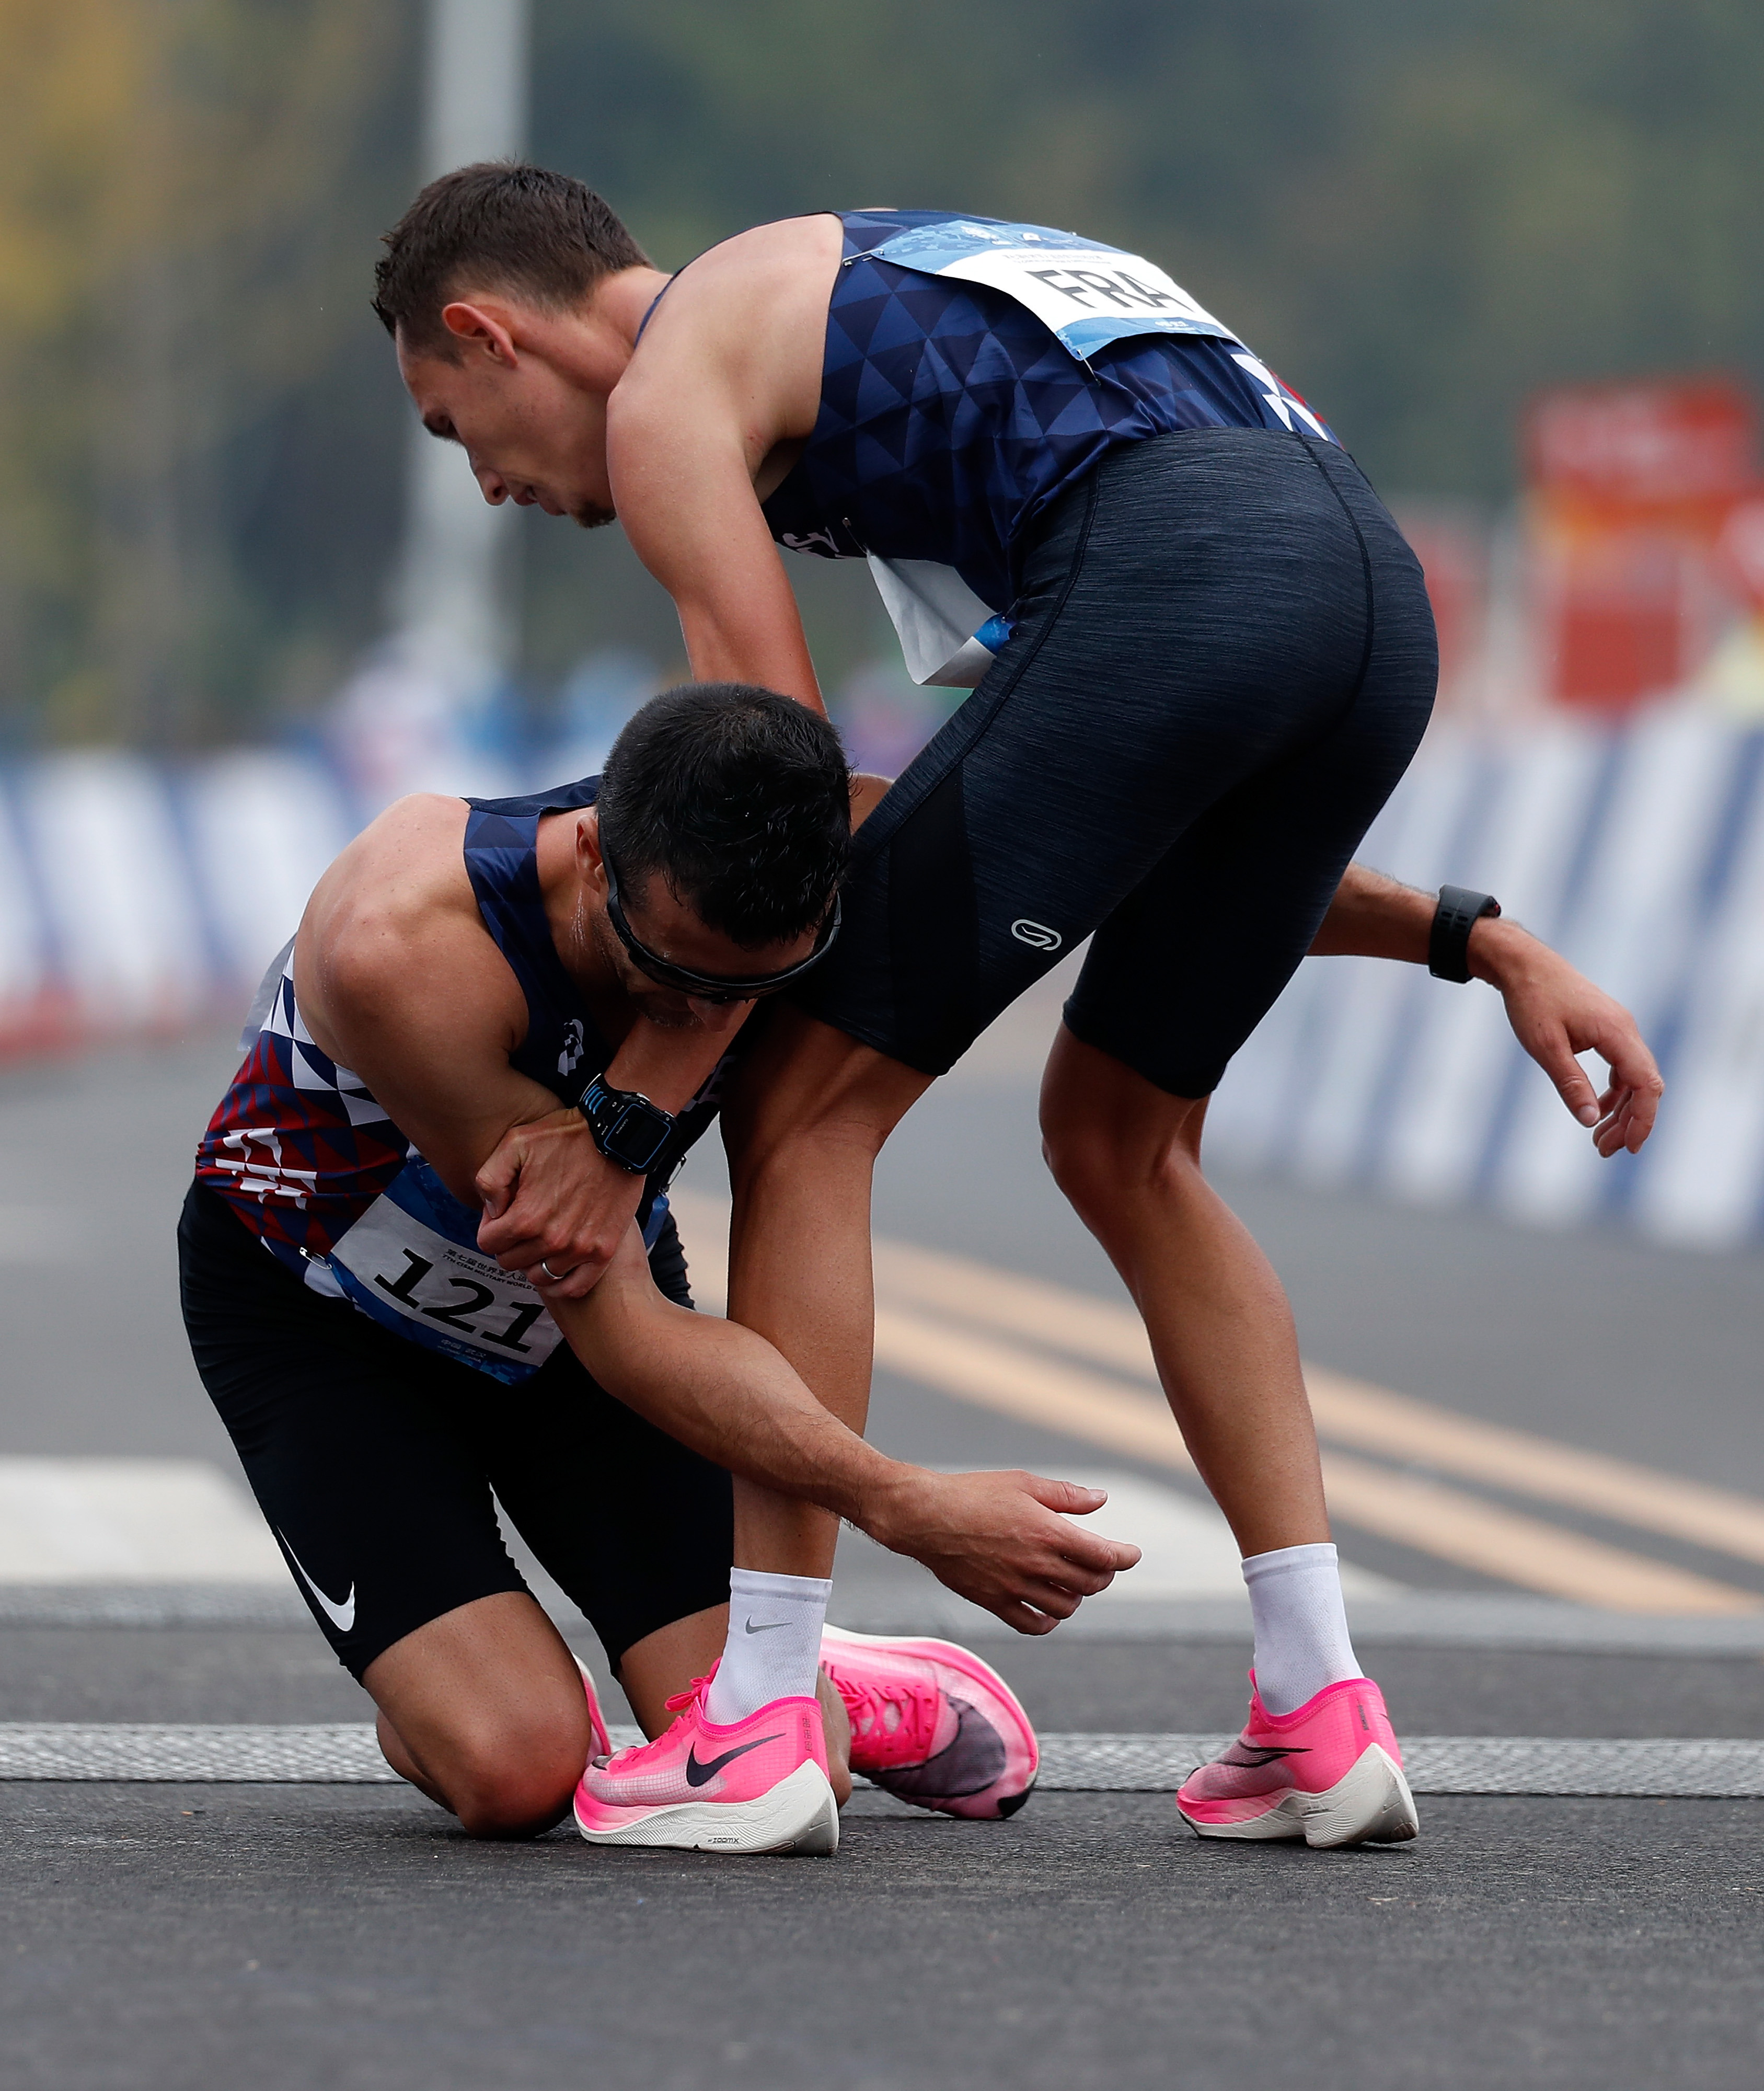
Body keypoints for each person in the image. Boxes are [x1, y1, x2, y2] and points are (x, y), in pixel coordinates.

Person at [373, 166, 1665, 1848]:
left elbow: (760, 826)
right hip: (1364, 592)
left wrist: (623, 1124)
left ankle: (761, 1718)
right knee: (1124, 1139)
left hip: (1183, 569)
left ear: (490, 329)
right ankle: (1320, 1709)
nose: (484, 485)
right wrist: (1470, 934)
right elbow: (1071, 797)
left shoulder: (682, 376)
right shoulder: (891, 313)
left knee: (799, 1104)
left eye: (450, 421)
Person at [180, 683, 1115, 1854]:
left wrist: (1419, 927)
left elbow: (1133, 864)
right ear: (591, 854)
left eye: (740, 992)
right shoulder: (405, 940)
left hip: (553, 1330)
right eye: (664, 973)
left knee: (792, 1757)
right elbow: (618, 1325)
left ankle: (808, 1669)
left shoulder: (836, 855)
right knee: (514, 1767)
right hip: (323, 1319)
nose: (690, 1020)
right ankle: (496, 1681)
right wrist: (906, 1503)